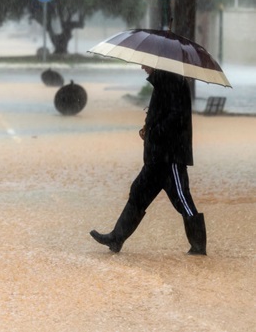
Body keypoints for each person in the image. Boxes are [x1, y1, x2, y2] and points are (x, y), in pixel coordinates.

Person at [89, 65, 207, 255]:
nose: (142, 66)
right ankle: (116, 238)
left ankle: (199, 247)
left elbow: (176, 117)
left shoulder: (174, 81)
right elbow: (161, 114)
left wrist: (154, 132)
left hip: (171, 157)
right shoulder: (162, 81)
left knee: (182, 199)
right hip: (156, 157)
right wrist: (148, 128)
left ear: (158, 62)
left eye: (145, 63)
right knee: (138, 192)